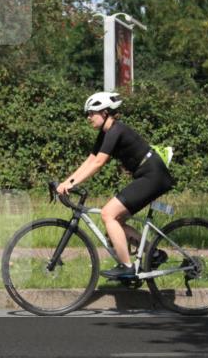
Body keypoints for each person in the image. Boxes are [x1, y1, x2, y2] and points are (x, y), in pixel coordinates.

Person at [56, 92, 175, 279]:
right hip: (149, 175)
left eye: (91, 113)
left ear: (104, 113)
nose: (88, 117)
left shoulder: (116, 130)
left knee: (107, 214)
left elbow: (98, 163)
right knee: (115, 222)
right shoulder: (105, 133)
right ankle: (155, 254)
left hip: (153, 176)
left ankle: (127, 267)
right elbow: (90, 160)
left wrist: (70, 184)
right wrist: (67, 182)